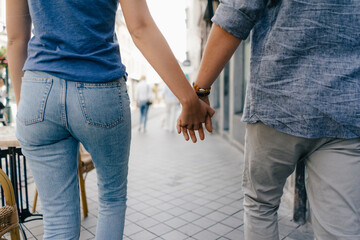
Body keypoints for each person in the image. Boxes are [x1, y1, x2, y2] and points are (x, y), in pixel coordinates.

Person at [6, 0, 214, 239]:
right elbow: (140, 28)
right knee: (111, 199)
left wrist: (27, 106)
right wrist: (189, 98)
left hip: (38, 88)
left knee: (56, 218)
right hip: (99, 86)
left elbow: (15, 38)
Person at [178, 1, 360, 239]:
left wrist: (199, 92)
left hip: (276, 103)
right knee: (339, 228)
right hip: (343, 109)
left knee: (260, 206)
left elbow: (236, 13)